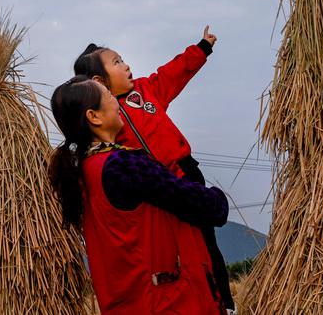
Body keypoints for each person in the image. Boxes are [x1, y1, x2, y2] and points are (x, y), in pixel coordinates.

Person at [71, 27, 234, 311]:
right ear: (99, 82)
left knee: (207, 243)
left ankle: (224, 303)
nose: (127, 66)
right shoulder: (109, 119)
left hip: (183, 173)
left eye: (123, 59)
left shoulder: (147, 90)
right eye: (117, 63)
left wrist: (201, 49)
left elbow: (174, 73)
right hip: (154, 188)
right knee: (180, 247)